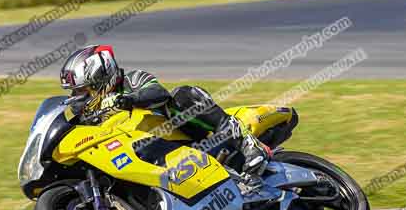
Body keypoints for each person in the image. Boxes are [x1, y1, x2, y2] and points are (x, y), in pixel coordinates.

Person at [59, 44, 270, 171]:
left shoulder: (132, 80)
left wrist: (130, 100)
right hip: (144, 159)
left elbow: (157, 93)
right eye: (75, 92)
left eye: (82, 90)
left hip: (191, 138)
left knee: (182, 95)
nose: (78, 97)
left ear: (100, 79)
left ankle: (246, 143)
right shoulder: (89, 113)